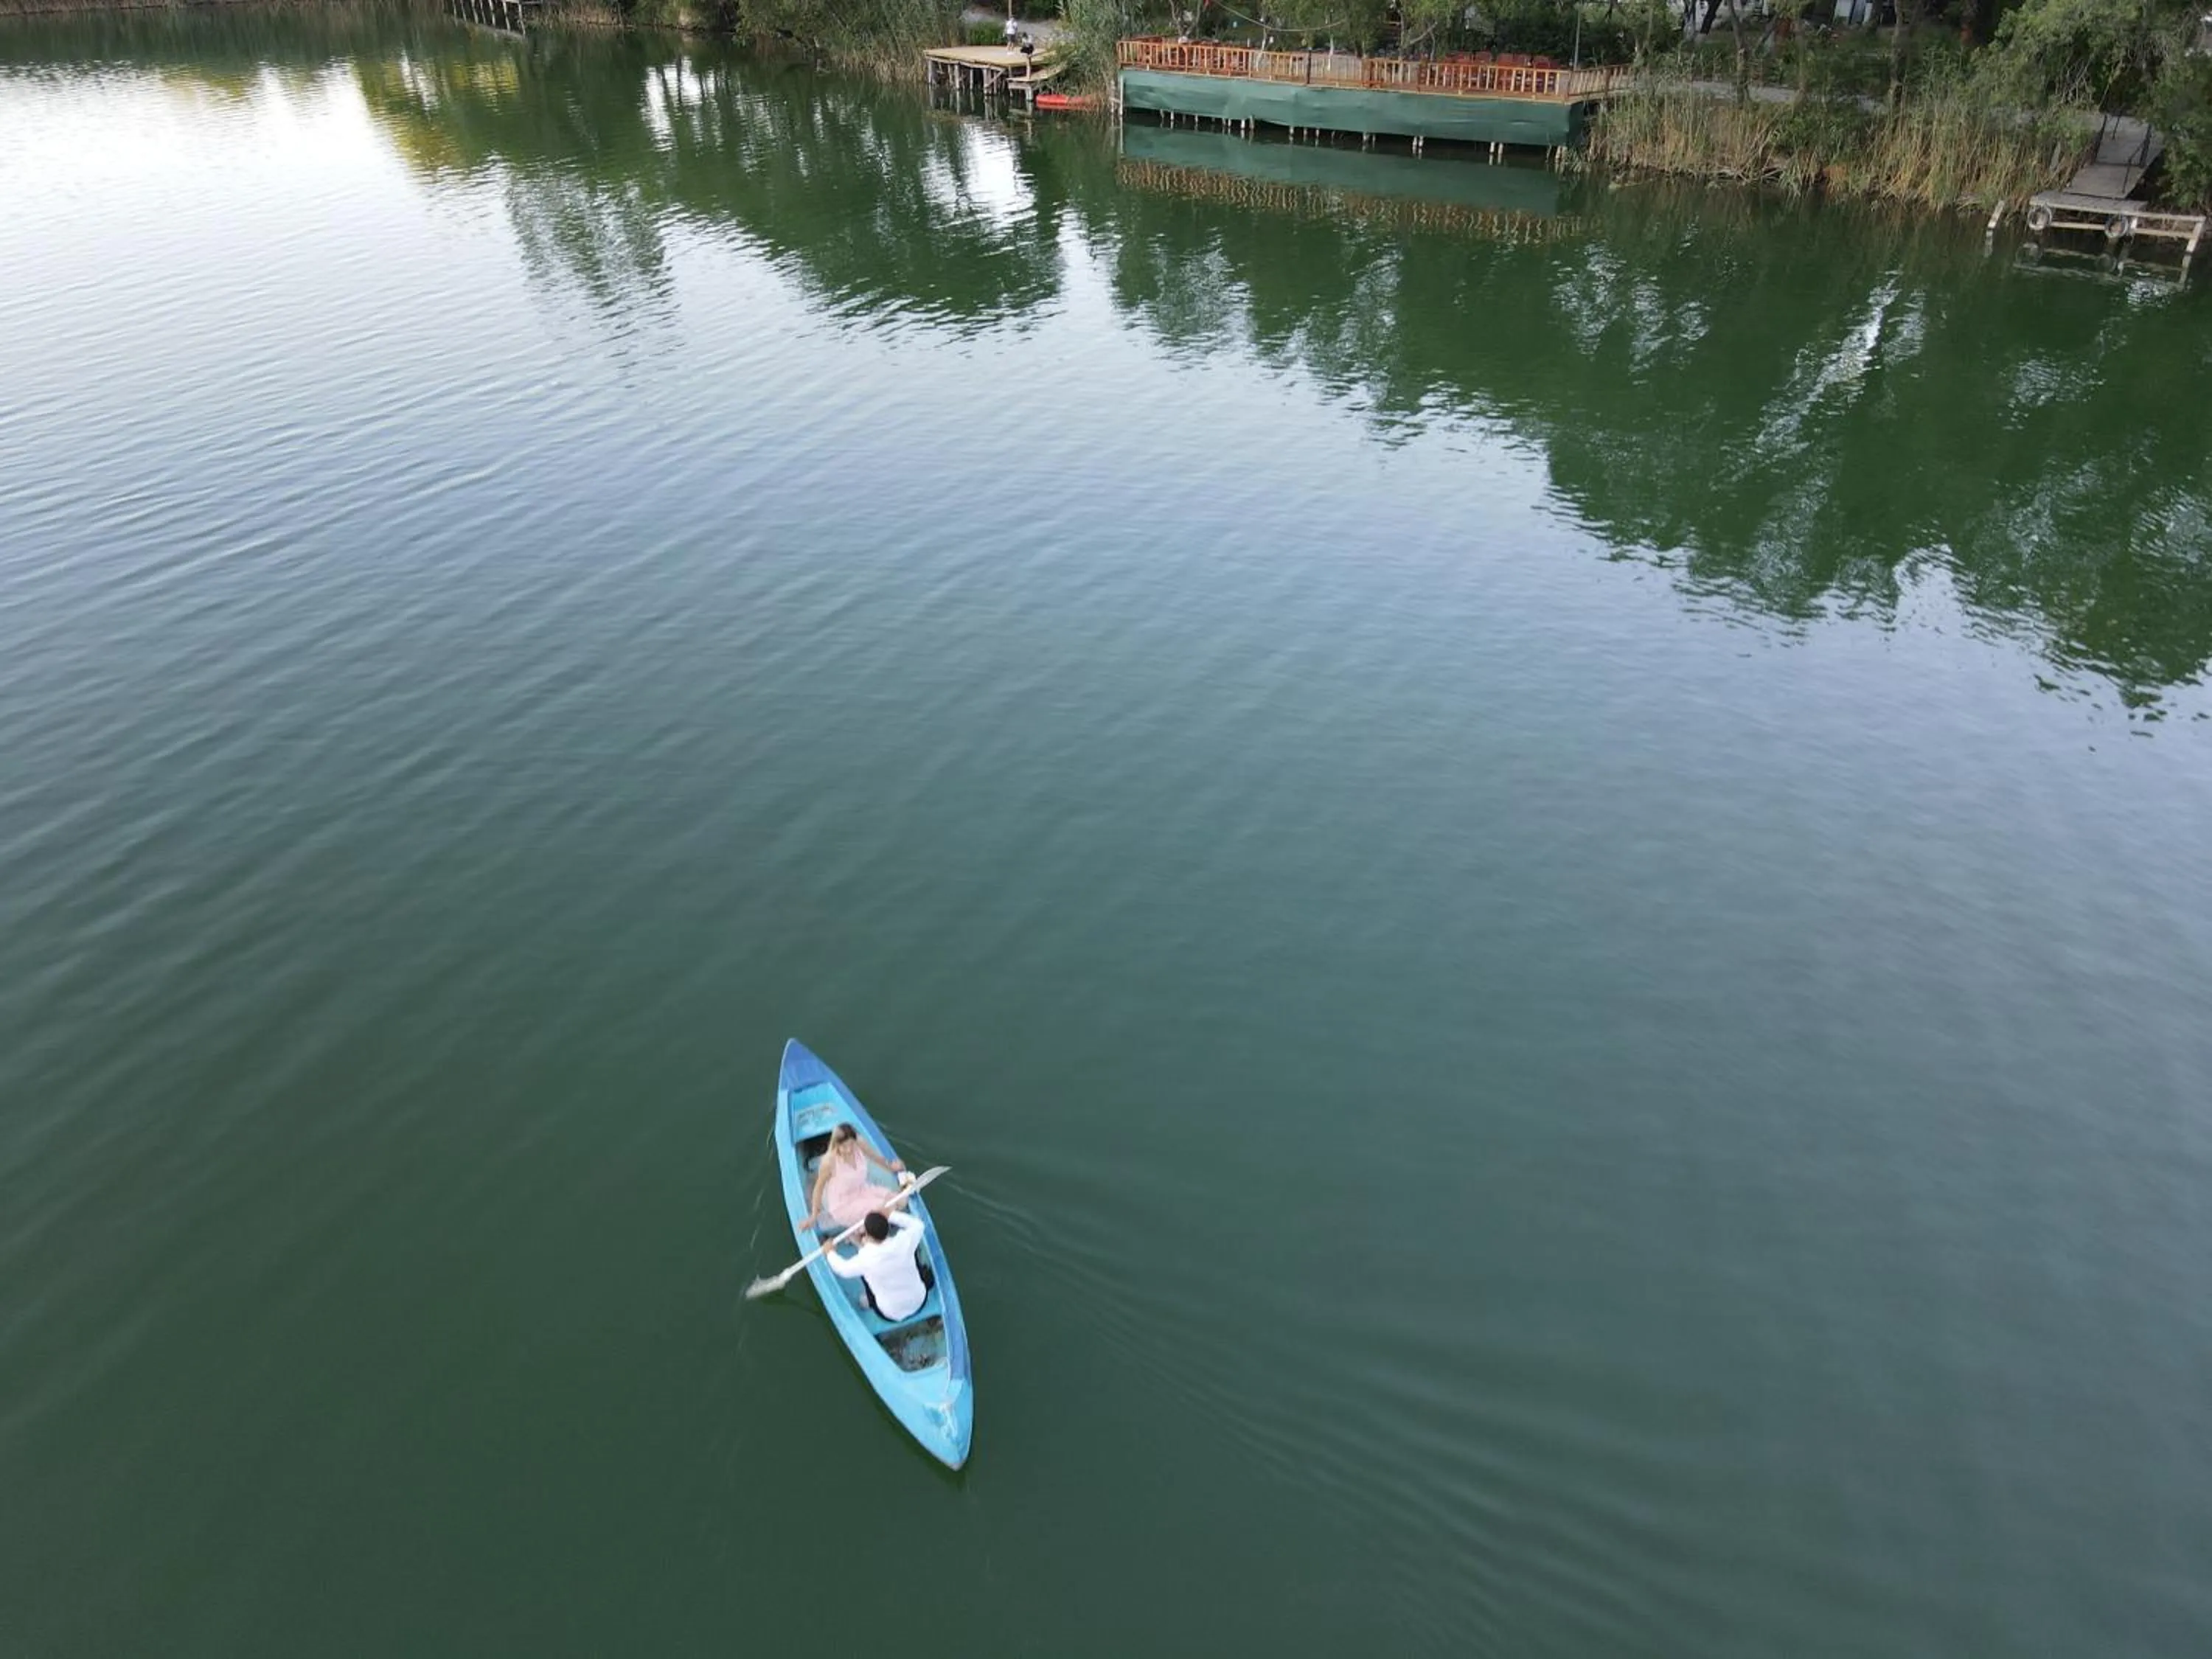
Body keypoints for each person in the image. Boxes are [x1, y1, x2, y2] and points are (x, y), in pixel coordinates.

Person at [826, 1207, 933, 1321]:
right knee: (912, 1250)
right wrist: (892, 1215)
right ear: (888, 1228)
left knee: (864, 1273)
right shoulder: (904, 1241)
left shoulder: (865, 1259)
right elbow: (918, 1225)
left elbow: (842, 1269)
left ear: (867, 1234)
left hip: (891, 1313)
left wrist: (829, 1252)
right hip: (919, 1300)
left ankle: (868, 1301)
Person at [798, 1124, 905, 1234]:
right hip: (843, 1205)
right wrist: (813, 1216)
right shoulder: (829, 1161)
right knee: (886, 1207)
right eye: (844, 1146)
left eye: (851, 1145)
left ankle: (861, 1229)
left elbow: (875, 1157)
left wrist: (891, 1167)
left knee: (901, 1201)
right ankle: (863, 1232)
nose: (849, 1150)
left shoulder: (859, 1142)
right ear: (836, 1144)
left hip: (862, 1190)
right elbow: (819, 1188)